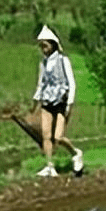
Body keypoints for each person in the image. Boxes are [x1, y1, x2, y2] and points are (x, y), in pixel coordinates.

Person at [31, 25, 85, 177]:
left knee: (58, 137)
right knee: (46, 136)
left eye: (45, 45)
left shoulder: (63, 60)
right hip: (47, 101)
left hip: (61, 101)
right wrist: (36, 101)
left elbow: (71, 83)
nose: (43, 48)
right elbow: (41, 83)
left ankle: (75, 153)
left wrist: (70, 103)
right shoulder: (43, 63)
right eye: (41, 46)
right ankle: (49, 166)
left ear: (52, 45)